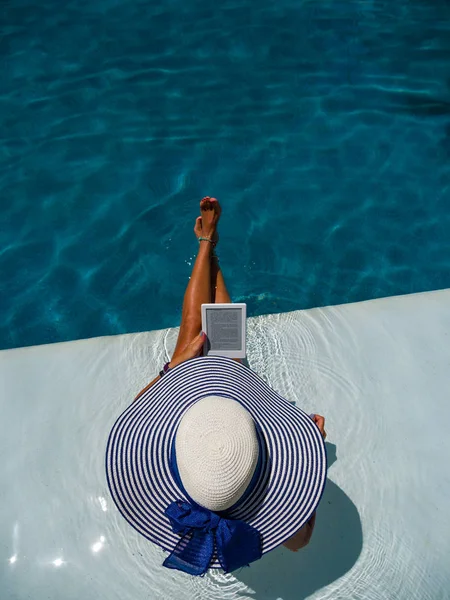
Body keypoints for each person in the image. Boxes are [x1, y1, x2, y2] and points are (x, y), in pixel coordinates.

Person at [106, 197, 327, 576]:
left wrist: (172, 370)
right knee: (223, 344)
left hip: (199, 420)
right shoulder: (251, 507)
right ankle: (210, 249)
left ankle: (208, 244)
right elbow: (300, 541)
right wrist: (313, 454)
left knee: (196, 332)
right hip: (215, 424)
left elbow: (134, 412)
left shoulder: (185, 492)